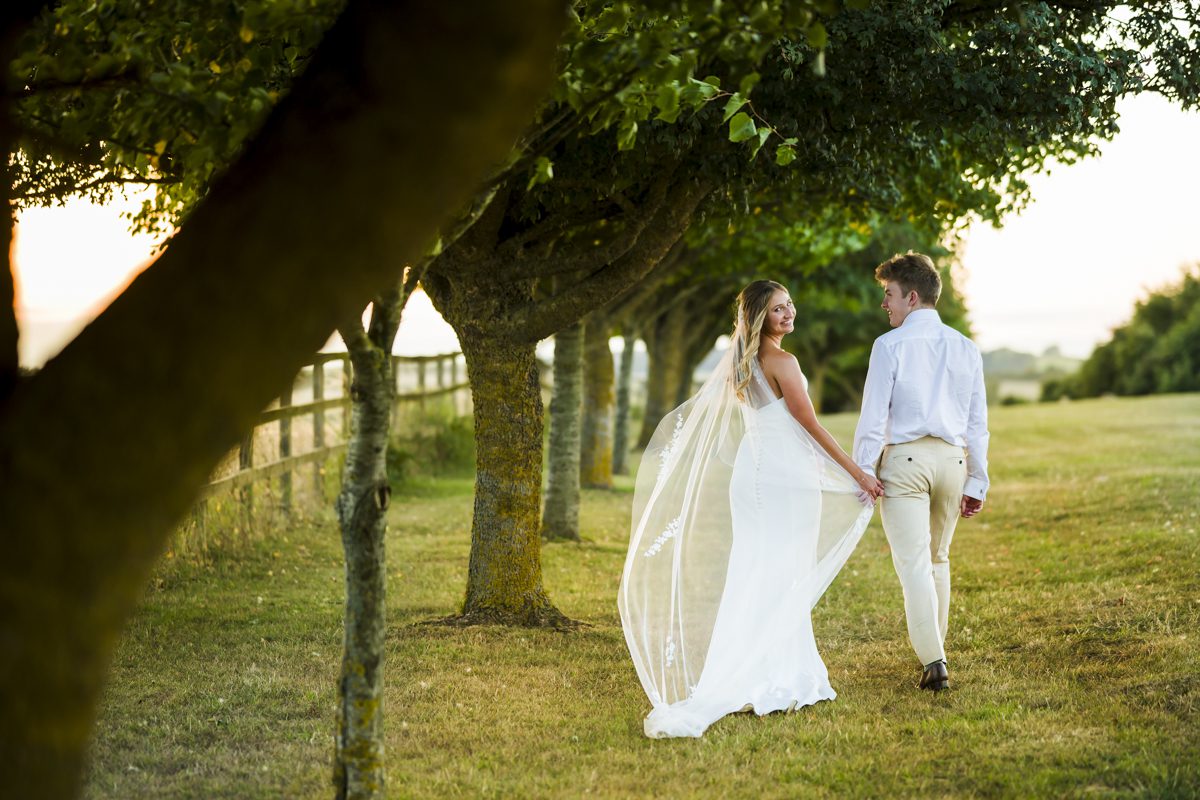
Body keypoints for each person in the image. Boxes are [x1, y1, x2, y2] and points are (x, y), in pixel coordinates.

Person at [619, 280, 883, 739]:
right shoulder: (783, 362)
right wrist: (857, 473)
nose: (790, 313)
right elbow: (810, 426)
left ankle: (751, 668)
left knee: (756, 570)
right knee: (785, 570)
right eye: (779, 309)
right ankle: (774, 675)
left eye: (790, 305)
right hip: (783, 477)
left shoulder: (740, 364)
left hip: (752, 475)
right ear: (761, 316)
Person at [852, 252, 990, 692]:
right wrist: (978, 480)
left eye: (888, 295)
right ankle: (937, 655)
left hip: (906, 464)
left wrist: (861, 471)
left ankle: (934, 661)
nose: (884, 305)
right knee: (938, 560)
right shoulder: (966, 347)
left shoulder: (888, 346)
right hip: (953, 463)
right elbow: (976, 424)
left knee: (914, 563)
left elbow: (873, 418)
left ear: (911, 297)